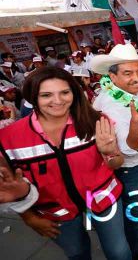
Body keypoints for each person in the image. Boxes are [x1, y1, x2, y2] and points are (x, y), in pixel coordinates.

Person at [0, 66, 130, 259]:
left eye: (64, 92)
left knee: (119, 252)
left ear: (74, 93)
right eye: (46, 95)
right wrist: (28, 217)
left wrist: (111, 153)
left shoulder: (96, 121)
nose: (58, 101)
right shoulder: (8, 138)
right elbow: (9, 188)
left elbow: (116, 163)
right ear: (32, 97)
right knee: (77, 253)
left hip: (104, 198)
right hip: (54, 211)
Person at [90, 44, 138, 260]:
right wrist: (136, 130)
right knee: (135, 210)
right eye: (128, 73)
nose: (137, 78)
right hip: (130, 168)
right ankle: (137, 250)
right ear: (112, 77)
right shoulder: (110, 105)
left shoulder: (135, 90)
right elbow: (124, 152)